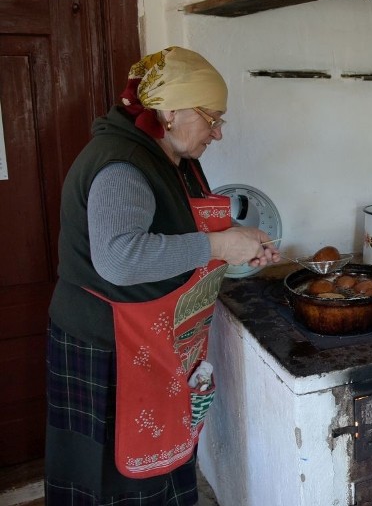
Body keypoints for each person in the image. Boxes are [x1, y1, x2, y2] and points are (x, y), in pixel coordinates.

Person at [45, 46, 280, 505]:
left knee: (163, 458)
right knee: (114, 477)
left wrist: (237, 242)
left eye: (219, 120)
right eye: (211, 117)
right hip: (107, 343)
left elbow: (179, 232)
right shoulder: (122, 164)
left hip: (156, 337)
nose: (217, 132)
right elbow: (119, 259)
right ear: (169, 110)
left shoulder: (177, 158)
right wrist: (217, 246)